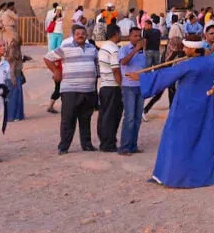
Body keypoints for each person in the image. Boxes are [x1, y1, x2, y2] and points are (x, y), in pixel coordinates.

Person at [129, 45, 214, 188]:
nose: (184, 50)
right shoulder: (212, 62)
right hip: (204, 105)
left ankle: (175, 177)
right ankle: (205, 176)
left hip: (184, 107)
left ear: (193, 49)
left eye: (186, 48)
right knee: (203, 137)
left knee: (176, 139)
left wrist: (141, 77)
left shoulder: (186, 65)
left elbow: (166, 75)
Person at [43, 24, 99, 154]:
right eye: (78, 33)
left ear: (86, 35)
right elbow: (47, 58)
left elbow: (96, 65)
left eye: (83, 33)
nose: (80, 35)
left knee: (86, 119)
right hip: (70, 90)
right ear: (73, 35)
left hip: (89, 90)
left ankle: (87, 145)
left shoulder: (92, 49)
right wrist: (56, 71)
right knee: (68, 119)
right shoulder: (65, 48)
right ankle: (63, 147)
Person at [118, 27, 147, 156]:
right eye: (135, 36)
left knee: (137, 118)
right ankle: (124, 147)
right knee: (129, 117)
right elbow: (123, 63)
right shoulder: (124, 49)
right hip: (128, 86)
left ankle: (133, 145)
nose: (137, 38)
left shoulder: (143, 52)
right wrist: (135, 50)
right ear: (129, 37)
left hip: (140, 86)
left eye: (139, 36)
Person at [95, 24, 123, 152]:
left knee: (104, 115)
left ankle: (104, 141)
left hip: (104, 85)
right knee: (112, 116)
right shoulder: (114, 49)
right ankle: (109, 143)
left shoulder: (103, 47)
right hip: (113, 86)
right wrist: (121, 85)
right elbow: (116, 69)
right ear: (116, 34)